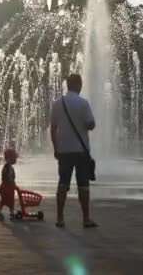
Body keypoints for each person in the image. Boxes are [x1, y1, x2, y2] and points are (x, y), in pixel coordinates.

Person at [50, 74, 97, 229]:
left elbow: (53, 128)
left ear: (67, 85)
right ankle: (86, 218)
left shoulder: (57, 103)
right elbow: (91, 124)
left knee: (62, 183)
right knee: (83, 185)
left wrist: (55, 148)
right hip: (81, 151)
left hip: (64, 150)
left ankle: (60, 218)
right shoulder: (83, 103)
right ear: (78, 84)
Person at [0, 149, 18, 221]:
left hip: (7, 187)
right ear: (9, 158)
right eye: (14, 158)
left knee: (4, 201)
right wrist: (11, 182)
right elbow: (7, 176)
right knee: (9, 201)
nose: (15, 160)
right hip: (7, 187)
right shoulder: (7, 167)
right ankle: (10, 213)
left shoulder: (9, 166)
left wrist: (13, 183)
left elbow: (9, 177)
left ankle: (0, 212)